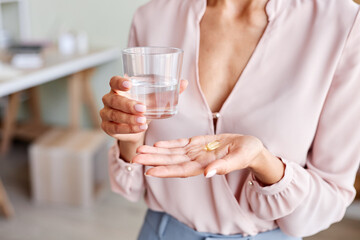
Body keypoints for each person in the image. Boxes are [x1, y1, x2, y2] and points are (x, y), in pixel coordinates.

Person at [100, 0, 360, 239]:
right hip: (162, 232)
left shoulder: (342, 24)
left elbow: (330, 199)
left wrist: (262, 161)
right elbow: (131, 186)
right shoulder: (153, 17)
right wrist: (130, 136)